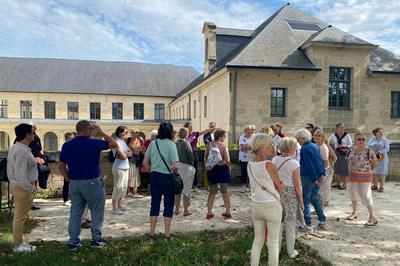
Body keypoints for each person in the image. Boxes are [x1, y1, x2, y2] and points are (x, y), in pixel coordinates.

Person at [59, 120, 118, 250]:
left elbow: (61, 165)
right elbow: (114, 144)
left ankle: (73, 241)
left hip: (74, 182)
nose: (93, 132)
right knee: (97, 211)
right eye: (91, 130)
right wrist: (101, 132)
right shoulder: (94, 143)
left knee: (75, 213)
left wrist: (68, 179)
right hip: (92, 182)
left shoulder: (67, 145)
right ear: (86, 130)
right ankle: (96, 240)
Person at [247, 134, 283, 266]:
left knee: (257, 241)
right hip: (271, 205)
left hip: (256, 204)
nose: (272, 147)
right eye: (270, 145)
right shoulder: (269, 165)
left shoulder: (250, 164)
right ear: (262, 148)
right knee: (273, 243)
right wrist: (281, 184)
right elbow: (279, 186)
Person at [143, 122, 179, 240]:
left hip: (154, 177)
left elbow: (145, 163)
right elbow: (175, 165)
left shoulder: (153, 144)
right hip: (168, 177)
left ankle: (151, 233)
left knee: (155, 204)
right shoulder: (171, 144)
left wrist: (152, 170)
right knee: (168, 205)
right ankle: (167, 234)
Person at [7, 123, 38, 252]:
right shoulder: (21, 150)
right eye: (33, 132)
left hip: (18, 186)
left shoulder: (17, 147)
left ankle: (19, 243)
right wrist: (30, 189)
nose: (35, 134)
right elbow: (20, 174)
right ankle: (18, 245)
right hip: (22, 188)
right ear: (27, 135)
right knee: (20, 218)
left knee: (19, 217)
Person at [272, 137, 304, 259]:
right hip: (290, 195)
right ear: (292, 149)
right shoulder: (294, 163)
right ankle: (290, 251)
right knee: (290, 224)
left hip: (277, 192)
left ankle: (276, 249)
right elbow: (297, 185)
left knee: (278, 223)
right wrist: (301, 201)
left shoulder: (274, 159)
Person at [294, 129, 326, 229]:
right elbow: (319, 161)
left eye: (298, 139)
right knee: (314, 198)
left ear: (302, 139)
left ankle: (307, 222)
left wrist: (314, 178)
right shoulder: (314, 146)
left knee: (305, 200)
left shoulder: (305, 149)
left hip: (308, 177)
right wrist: (321, 174)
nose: (297, 141)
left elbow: (309, 165)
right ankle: (322, 219)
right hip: (316, 176)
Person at [347, 133, 378, 226]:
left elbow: (375, 162)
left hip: (365, 176)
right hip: (353, 176)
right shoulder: (351, 149)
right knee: (353, 194)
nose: (361, 141)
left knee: (366, 195)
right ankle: (354, 212)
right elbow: (349, 161)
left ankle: (372, 217)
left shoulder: (369, 150)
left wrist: (369, 170)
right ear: (354, 141)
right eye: (359, 139)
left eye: (363, 139)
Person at [204, 129, 232, 219]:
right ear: (220, 136)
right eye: (224, 136)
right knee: (225, 191)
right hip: (222, 169)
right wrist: (229, 167)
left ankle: (209, 212)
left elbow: (205, 157)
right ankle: (228, 211)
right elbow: (227, 159)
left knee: (212, 192)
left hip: (212, 169)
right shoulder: (223, 145)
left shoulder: (209, 144)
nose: (225, 137)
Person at [174, 127, 195, 216]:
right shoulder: (186, 143)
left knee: (178, 188)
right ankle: (186, 209)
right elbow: (190, 156)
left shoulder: (175, 143)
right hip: (186, 167)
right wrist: (191, 164)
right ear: (186, 134)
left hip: (177, 167)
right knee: (186, 188)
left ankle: (177, 209)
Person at [111, 126, 132, 215]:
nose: (126, 134)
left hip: (125, 166)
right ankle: (114, 208)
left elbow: (130, 152)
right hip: (118, 167)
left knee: (123, 187)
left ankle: (119, 205)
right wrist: (126, 154)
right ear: (120, 133)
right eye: (125, 132)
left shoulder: (123, 142)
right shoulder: (116, 142)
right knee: (118, 187)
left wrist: (126, 154)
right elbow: (123, 156)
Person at [184, 122, 212, 187]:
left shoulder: (194, 134)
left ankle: (195, 184)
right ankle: (187, 184)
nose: (191, 128)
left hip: (194, 152)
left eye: (191, 126)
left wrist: (212, 128)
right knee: (186, 169)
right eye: (189, 126)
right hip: (186, 154)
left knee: (194, 168)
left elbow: (204, 131)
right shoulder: (184, 135)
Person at [313, 129, 336, 206]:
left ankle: (322, 204)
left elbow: (325, 162)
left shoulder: (323, 147)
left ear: (322, 137)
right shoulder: (316, 146)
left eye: (319, 136)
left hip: (325, 170)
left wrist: (322, 173)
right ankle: (321, 204)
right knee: (321, 188)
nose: (316, 137)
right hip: (319, 170)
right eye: (315, 135)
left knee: (323, 188)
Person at [328, 123, 352, 190]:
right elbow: (328, 141)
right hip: (336, 153)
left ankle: (345, 184)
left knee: (344, 168)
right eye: (341, 127)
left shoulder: (347, 135)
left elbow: (351, 145)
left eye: (343, 127)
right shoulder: (333, 135)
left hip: (344, 153)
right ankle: (338, 183)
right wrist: (331, 145)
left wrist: (344, 146)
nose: (342, 129)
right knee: (337, 168)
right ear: (337, 128)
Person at [368, 127, 390, 193]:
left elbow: (387, 149)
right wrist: (374, 144)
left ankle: (381, 187)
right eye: (380, 132)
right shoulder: (372, 139)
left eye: (382, 132)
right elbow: (368, 145)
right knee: (375, 172)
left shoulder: (385, 140)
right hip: (374, 157)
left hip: (382, 157)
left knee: (382, 172)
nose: (381, 133)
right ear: (376, 133)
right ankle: (375, 185)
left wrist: (379, 151)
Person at [126, 129, 144, 198]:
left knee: (135, 175)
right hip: (129, 160)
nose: (133, 134)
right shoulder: (128, 140)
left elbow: (142, 149)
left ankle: (134, 191)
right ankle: (130, 191)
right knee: (130, 175)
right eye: (132, 133)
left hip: (137, 160)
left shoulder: (140, 140)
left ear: (137, 133)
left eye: (134, 133)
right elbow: (124, 149)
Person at [62, 132, 74, 206]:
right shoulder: (65, 145)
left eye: (72, 138)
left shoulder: (74, 145)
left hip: (73, 167)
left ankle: (72, 198)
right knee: (66, 183)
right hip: (66, 166)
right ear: (66, 139)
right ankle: (66, 199)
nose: (71, 139)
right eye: (70, 138)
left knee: (73, 184)